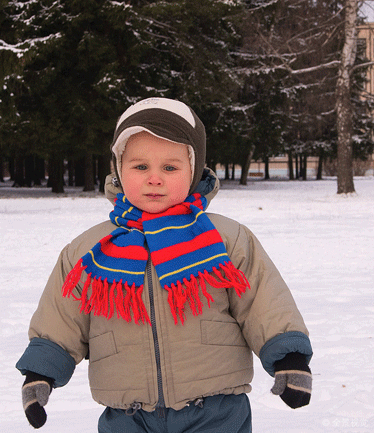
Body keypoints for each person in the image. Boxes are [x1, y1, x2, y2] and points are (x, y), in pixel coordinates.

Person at [16, 97, 313, 432]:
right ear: (118, 169)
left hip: (214, 409)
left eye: (170, 168)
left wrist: (289, 356)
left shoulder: (224, 239)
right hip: (127, 415)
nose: (154, 178)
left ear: (193, 171)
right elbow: (62, 320)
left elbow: (263, 301)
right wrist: (41, 371)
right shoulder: (91, 251)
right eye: (140, 167)